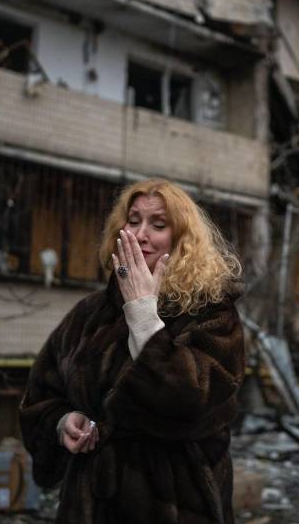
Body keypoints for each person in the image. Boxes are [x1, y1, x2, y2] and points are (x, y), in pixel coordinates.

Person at [19, 179, 245, 523]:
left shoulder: (211, 312)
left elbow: (193, 399)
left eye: (158, 224)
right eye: (133, 220)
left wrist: (142, 313)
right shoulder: (90, 312)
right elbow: (41, 395)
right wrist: (64, 421)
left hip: (177, 502)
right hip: (91, 504)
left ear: (182, 238)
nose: (140, 234)